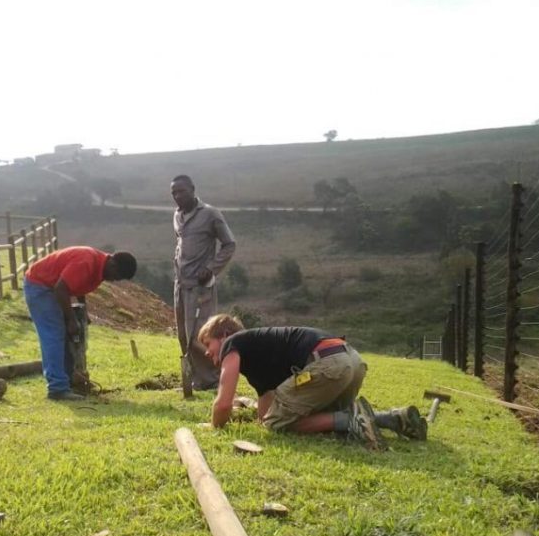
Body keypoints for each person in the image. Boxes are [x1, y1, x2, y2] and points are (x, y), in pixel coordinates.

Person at [197, 314, 427, 450]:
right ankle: (392, 418)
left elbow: (223, 403)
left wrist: (215, 425)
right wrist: (260, 418)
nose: (207, 353)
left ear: (225, 335)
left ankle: (349, 420)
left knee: (279, 425)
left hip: (327, 364)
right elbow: (266, 411)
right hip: (350, 360)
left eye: (208, 344)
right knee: (300, 418)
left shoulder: (233, 344)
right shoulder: (258, 352)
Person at [24, 246, 137, 401]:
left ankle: (68, 380)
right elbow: (61, 288)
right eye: (116, 276)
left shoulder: (99, 266)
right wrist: (71, 319)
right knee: (54, 334)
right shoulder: (86, 261)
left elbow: (79, 284)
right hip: (40, 287)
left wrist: (83, 312)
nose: (113, 280)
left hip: (52, 287)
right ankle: (57, 389)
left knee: (61, 335)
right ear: (113, 265)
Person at [171, 175, 236, 390]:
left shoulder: (210, 214)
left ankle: (211, 380)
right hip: (180, 284)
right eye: (174, 193)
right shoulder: (177, 216)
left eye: (181, 191)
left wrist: (211, 269)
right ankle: (194, 379)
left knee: (202, 334)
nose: (178, 196)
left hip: (201, 287)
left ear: (192, 189)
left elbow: (229, 244)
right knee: (183, 335)